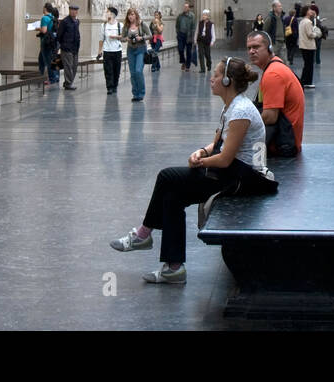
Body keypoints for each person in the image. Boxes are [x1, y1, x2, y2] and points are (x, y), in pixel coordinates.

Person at [109, 57, 276, 284]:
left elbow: (226, 159)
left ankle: (143, 234)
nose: (212, 79)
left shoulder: (241, 111)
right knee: (172, 196)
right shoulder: (232, 105)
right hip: (233, 172)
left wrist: (200, 163)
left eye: (216, 75)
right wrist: (201, 152)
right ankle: (173, 267)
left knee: (167, 176)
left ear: (227, 81)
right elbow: (218, 144)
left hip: (243, 178)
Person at [246, 31, 304, 157]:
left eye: (256, 47)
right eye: (249, 48)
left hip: (282, 145)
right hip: (287, 139)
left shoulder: (273, 74)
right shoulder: (276, 65)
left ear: (269, 48)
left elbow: (270, 117)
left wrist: (242, 125)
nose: (251, 51)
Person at [122, 7, 150, 103]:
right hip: (130, 50)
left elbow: (150, 35)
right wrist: (127, 39)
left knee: (138, 71)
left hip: (140, 49)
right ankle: (135, 94)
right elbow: (122, 38)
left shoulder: (142, 24)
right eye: (129, 15)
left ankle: (141, 93)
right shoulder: (126, 26)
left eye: (132, 14)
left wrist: (141, 38)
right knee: (133, 73)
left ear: (136, 15)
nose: (130, 16)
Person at [56, 4, 81, 90]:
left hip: (75, 48)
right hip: (66, 48)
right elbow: (59, 35)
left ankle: (68, 82)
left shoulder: (77, 21)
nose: (73, 12)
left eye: (75, 10)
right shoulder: (65, 22)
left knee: (74, 66)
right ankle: (68, 83)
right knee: (68, 66)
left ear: (77, 12)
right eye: (71, 10)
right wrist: (61, 45)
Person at [298, 3, 321, 87]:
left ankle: (303, 81)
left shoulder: (302, 21)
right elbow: (310, 34)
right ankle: (307, 82)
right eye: (309, 9)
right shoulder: (307, 22)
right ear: (306, 12)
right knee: (309, 65)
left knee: (307, 65)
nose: (311, 11)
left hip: (303, 45)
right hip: (308, 46)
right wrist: (317, 33)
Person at [101, 6, 123, 95]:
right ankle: (109, 87)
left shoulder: (119, 25)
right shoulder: (104, 25)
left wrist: (116, 37)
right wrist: (100, 50)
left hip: (117, 50)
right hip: (107, 50)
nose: (106, 13)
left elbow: (123, 36)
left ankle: (115, 85)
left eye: (108, 12)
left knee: (116, 69)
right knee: (108, 69)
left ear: (113, 14)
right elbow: (101, 39)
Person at [36, 2, 57, 81]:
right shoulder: (53, 17)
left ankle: (52, 78)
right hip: (53, 41)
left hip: (45, 42)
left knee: (48, 61)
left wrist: (37, 28)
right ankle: (41, 75)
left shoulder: (44, 18)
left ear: (45, 8)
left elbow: (44, 31)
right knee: (41, 59)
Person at [175, 2, 195, 71]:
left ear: (189, 8)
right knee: (180, 49)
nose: (185, 8)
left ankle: (188, 66)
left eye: (186, 7)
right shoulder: (180, 16)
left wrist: (192, 36)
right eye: (184, 7)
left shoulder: (192, 16)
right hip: (181, 34)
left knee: (188, 51)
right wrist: (178, 33)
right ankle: (183, 61)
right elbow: (177, 25)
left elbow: (193, 27)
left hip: (188, 35)